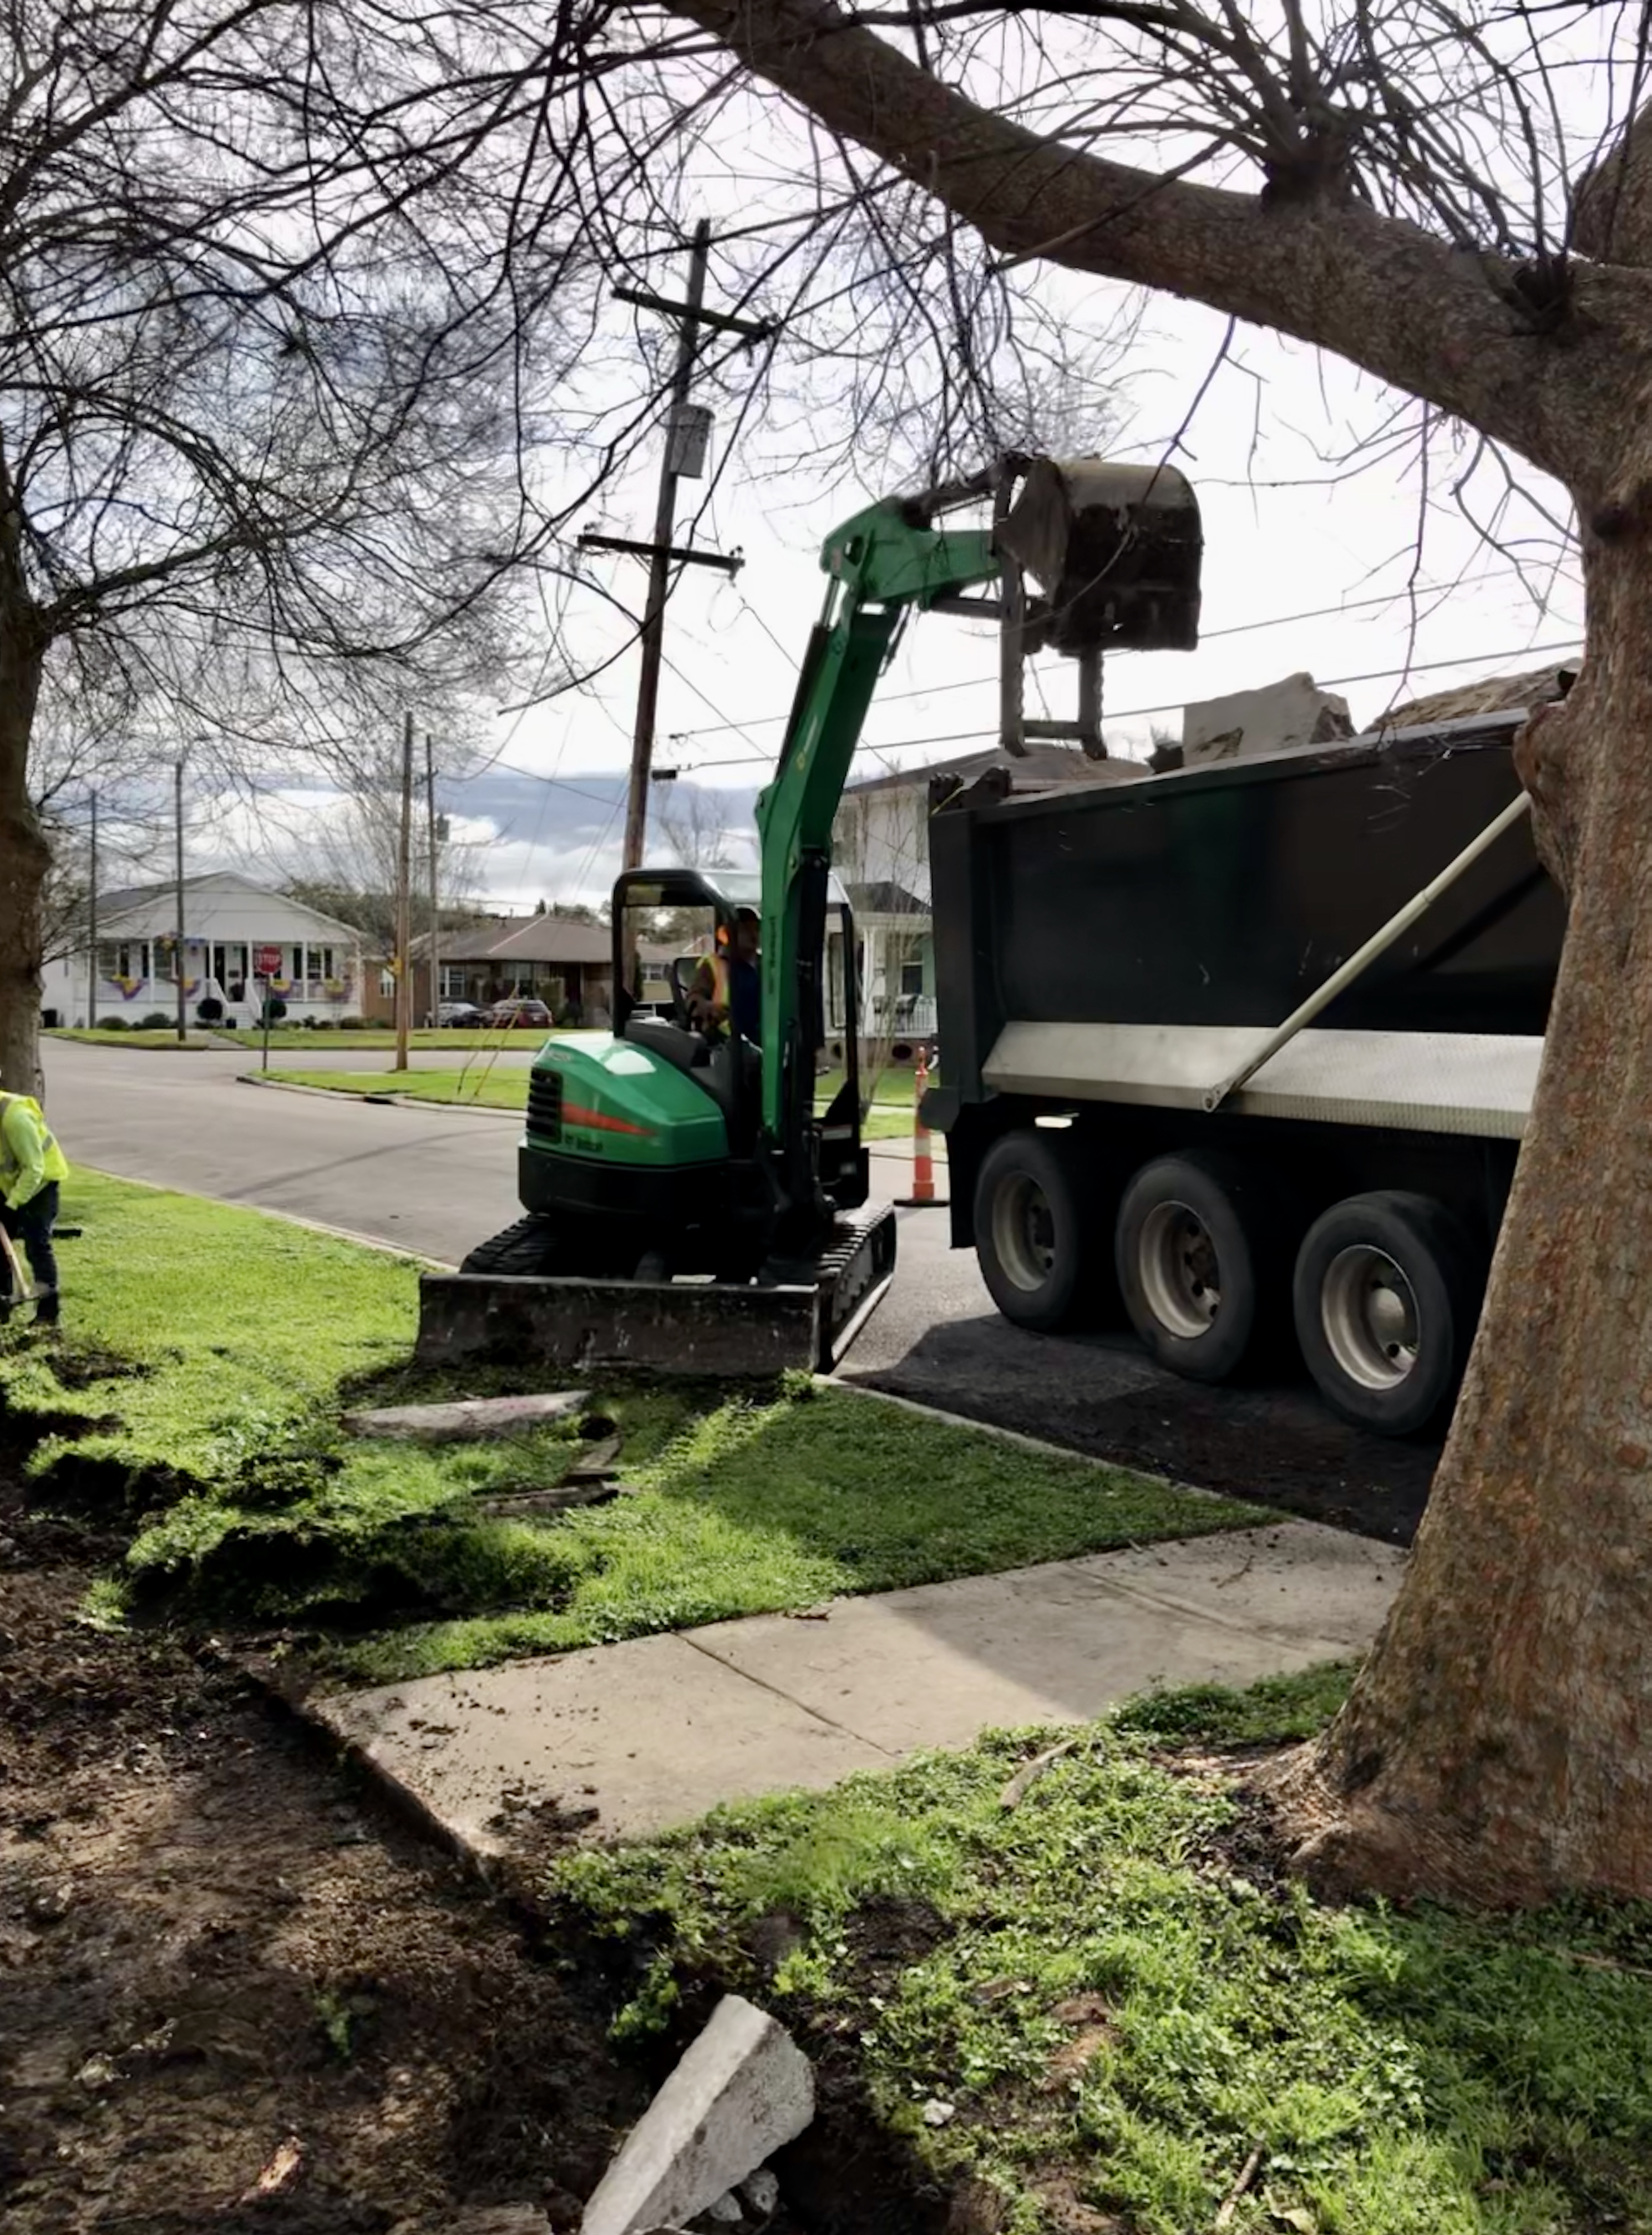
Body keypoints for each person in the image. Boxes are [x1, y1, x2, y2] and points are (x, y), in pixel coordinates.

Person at [0, 1075, 67, 1325]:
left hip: (41, 1185)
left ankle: (48, 1313)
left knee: (37, 1243)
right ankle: (3, 1300)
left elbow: (34, 1168)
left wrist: (12, 1205)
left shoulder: (16, 1118)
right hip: (9, 1184)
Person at [689, 909, 761, 1043]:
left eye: (757, 929)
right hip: (725, 1041)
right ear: (729, 934)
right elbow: (695, 998)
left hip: (765, 1039)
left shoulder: (768, 965)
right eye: (746, 930)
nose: (754, 935)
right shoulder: (713, 965)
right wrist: (708, 1007)